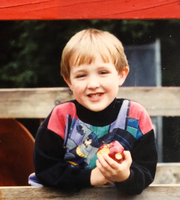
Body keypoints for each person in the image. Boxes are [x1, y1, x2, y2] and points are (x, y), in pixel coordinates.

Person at [29, 28, 157, 195]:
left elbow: (146, 171)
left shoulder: (135, 115)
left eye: (103, 72)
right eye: (81, 75)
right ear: (69, 81)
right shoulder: (61, 117)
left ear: (121, 75)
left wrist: (125, 176)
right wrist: (91, 177)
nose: (93, 84)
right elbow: (45, 169)